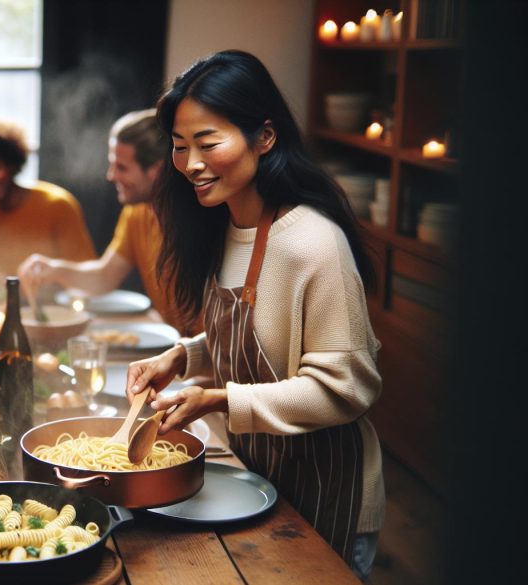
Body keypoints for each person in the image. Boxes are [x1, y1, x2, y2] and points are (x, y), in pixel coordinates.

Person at [123, 50, 384, 580]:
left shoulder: (312, 242)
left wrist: (217, 399)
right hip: (257, 475)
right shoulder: (224, 224)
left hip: (324, 487)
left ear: (264, 138)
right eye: (179, 146)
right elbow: (251, 337)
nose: (191, 163)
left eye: (208, 143)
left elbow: (346, 385)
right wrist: (182, 355)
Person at [17, 109, 201, 335]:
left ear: (158, 171)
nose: (111, 176)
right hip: (178, 348)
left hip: (209, 358)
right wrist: (53, 270)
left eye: (121, 167)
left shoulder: (198, 219)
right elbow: (105, 277)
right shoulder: (137, 212)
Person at [0, 119, 96, 277]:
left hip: (50, 301)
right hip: (0, 300)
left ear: (11, 164)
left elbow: (87, 276)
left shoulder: (57, 205)